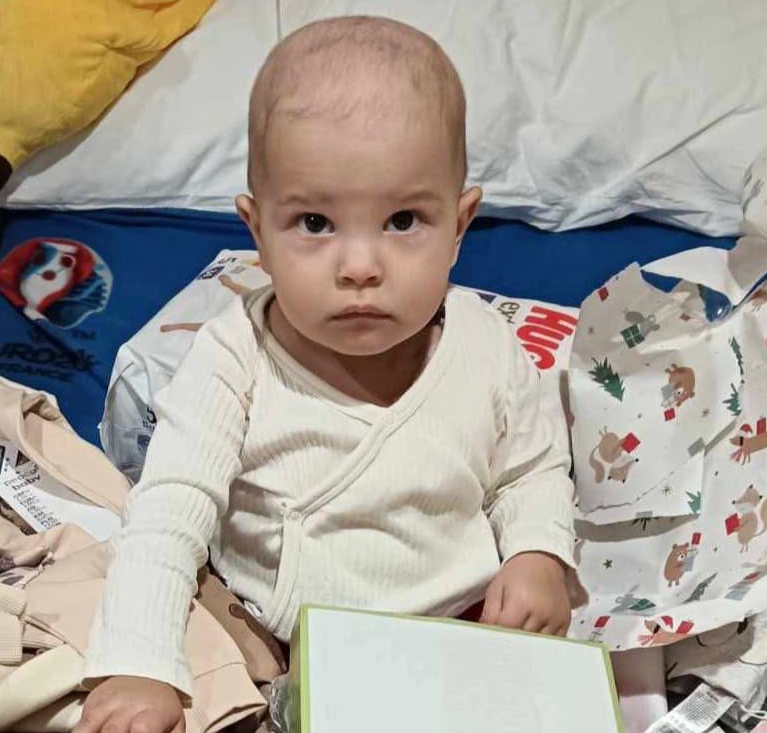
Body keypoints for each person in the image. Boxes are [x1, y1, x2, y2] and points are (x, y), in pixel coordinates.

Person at [76, 16, 576, 733]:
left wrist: (536, 553)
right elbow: (168, 513)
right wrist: (138, 665)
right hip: (269, 632)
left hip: (454, 628)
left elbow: (531, 468)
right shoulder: (233, 356)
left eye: (403, 220)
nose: (360, 266)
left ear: (460, 226)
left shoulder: (488, 347)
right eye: (314, 223)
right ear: (257, 233)